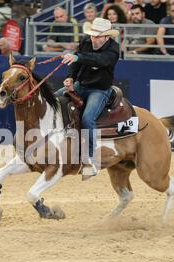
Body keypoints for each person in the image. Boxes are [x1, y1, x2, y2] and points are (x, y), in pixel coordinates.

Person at [55, 18, 120, 180]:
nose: (94, 39)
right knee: (55, 100)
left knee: (88, 118)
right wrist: (70, 77)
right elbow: (76, 63)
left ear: (106, 37)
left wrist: (78, 58)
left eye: (98, 37)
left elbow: (100, 60)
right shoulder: (86, 42)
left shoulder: (113, 49)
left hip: (100, 90)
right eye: (93, 36)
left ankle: (90, 159)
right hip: (81, 85)